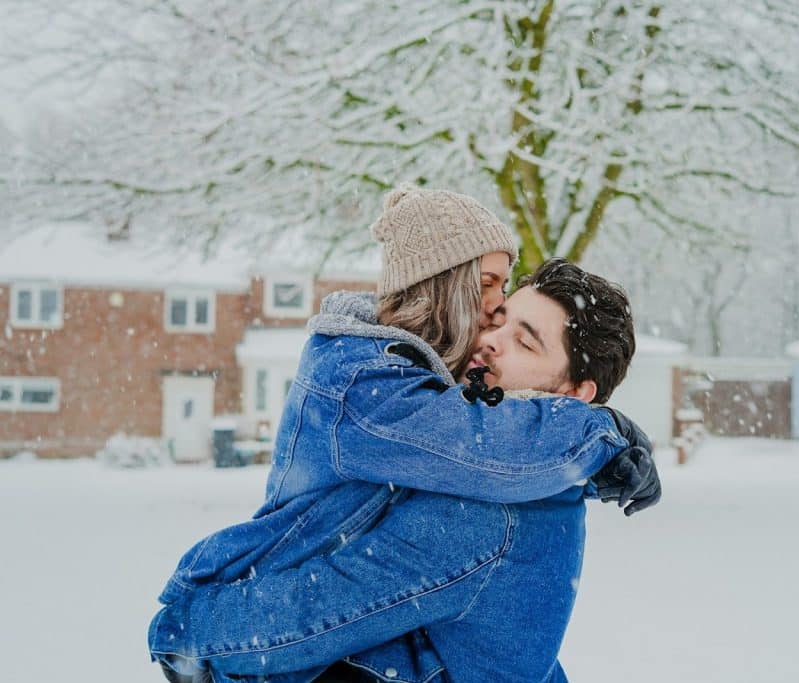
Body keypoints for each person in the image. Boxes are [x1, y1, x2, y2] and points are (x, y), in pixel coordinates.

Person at [149, 187, 659, 682]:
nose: (490, 336)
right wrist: (603, 436)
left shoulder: (491, 507)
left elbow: (325, 606)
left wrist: (191, 632)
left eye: (523, 342)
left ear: (574, 394)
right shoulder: (388, 395)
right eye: (494, 305)